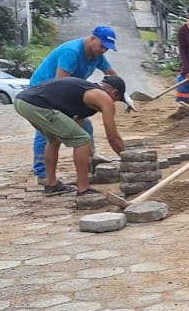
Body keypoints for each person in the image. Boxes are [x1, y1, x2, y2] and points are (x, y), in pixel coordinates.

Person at [28, 27, 120, 185]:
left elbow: (112, 75)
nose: (104, 50)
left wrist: (121, 91)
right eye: (102, 45)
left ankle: (92, 156)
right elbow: (60, 83)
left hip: (69, 91)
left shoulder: (97, 55)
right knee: (48, 132)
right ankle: (42, 172)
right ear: (92, 39)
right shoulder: (71, 52)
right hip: (44, 92)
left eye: (107, 48)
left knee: (86, 124)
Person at [14, 75, 134, 197]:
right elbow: (113, 137)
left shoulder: (82, 91)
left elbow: (77, 125)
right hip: (35, 104)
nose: (113, 103)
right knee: (83, 141)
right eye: (117, 100)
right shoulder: (102, 96)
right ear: (115, 93)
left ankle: (51, 184)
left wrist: (91, 153)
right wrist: (129, 160)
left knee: (54, 140)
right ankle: (83, 189)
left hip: (22, 102)